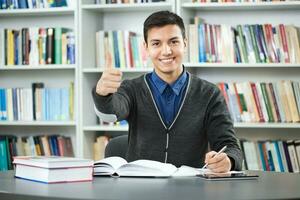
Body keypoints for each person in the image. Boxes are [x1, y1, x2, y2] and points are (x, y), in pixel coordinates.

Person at [92, 11, 243, 173]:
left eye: (173, 42)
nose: (166, 51)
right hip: (140, 188)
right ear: (146, 48)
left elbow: (230, 146)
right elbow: (112, 112)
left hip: (191, 190)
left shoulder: (210, 94)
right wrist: (102, 93)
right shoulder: (131, 89)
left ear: (184, 43)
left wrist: (228, 161)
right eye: (156, 43)